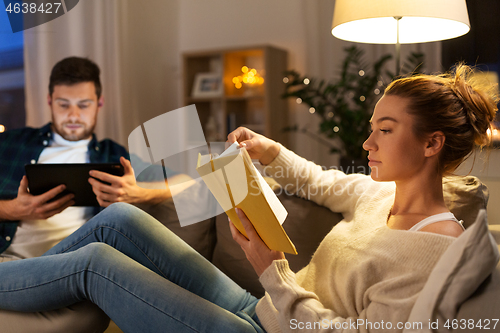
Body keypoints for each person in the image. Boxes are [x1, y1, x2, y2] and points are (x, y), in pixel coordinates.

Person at [0, 64, 497, 333]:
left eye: (385, 131)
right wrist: (267, 150)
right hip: (260, 308)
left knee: (94, 265)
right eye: (371, 129)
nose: (368, 144)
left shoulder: (436, 252)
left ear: (432, 144)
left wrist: (272, 269)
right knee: (120, 222)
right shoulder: (377, 193)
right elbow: (317, 180)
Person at [0, 57, 179, 333]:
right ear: (49, 101)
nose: (73, 115)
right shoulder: (10, 144)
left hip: (66, 272)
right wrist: (13, 209)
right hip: (6, 261)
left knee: (91, 315)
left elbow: (186, 181)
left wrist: (139, 193)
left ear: (99, 103)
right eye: (63, 105)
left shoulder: (116, 158)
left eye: (83, 105)